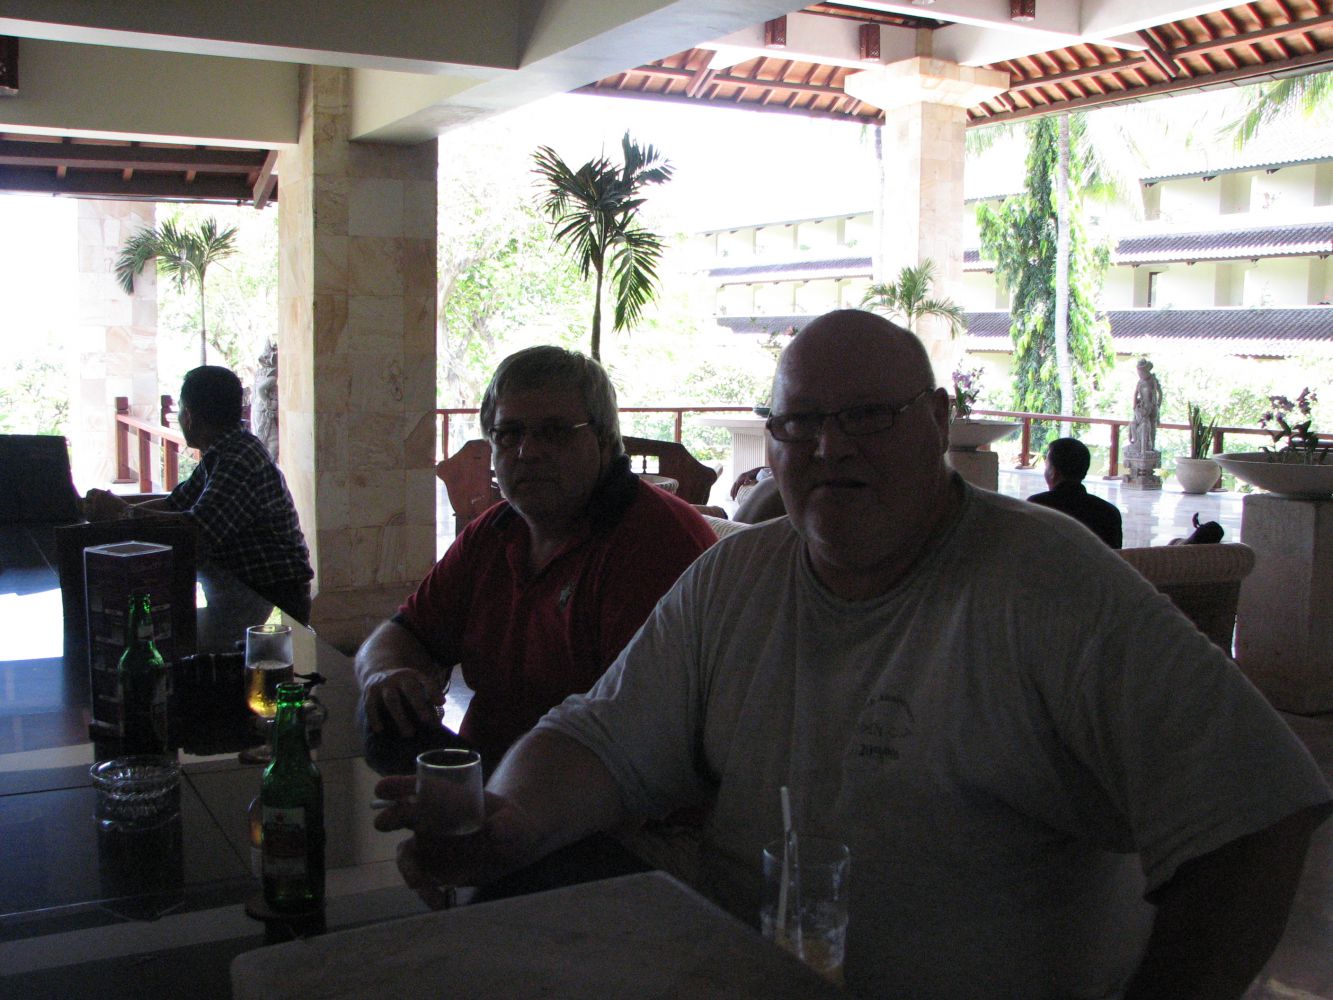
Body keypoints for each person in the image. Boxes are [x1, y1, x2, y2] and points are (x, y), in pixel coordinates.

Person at [376, 310, 1331, 999]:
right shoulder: (737, 576)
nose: (829, 448)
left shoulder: (1044, 582)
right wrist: (510, 822)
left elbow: (1256, 811)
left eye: (868, 415)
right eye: (798, 423)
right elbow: (600, 738)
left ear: (938, 421)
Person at [354, 345, 716, 773]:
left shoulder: (654, 544)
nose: (528, 451)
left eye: (555, 432)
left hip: (592, 795)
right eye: (509, 433)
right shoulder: (497, 531)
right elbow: (403, 634)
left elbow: (638, 742)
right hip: (484, 778)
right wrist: (383, 674)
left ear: (603, 439)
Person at [84, 365, 313, 623]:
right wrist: (118, 508)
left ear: (189, 416)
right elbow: (175, 504)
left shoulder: (238, 458)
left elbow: (196, 534)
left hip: (271, 598)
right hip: (246, 591)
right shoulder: (224, 450)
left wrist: (122, 513)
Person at [1027, 436, 1123, 548]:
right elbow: (1114, 556)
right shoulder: (1109, 513)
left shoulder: (1037, 505)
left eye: (1047, 466)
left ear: (1053, 472)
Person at [1128, 358, 1163, 458]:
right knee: (1135, 424)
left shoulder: (1153, 380)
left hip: (1152, 406)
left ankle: (1150, 446)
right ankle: (1137, 442)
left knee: (1151, 426)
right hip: (1142, 406)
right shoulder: (1140, 382)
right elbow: (1135, 393)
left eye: (1141, 372)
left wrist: (1158, 405)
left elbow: (1160, 393)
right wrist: (1135, 405)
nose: (1140, 374)